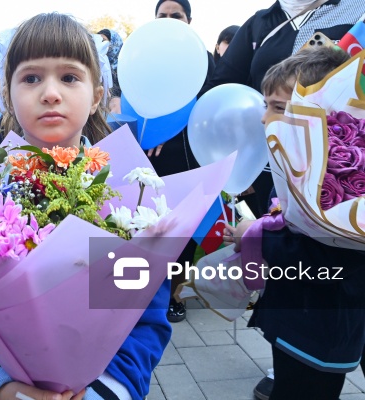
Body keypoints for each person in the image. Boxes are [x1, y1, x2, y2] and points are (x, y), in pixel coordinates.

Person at [0, 13, 171, 400]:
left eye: (69, 77)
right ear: (6, 92)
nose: (50, 93)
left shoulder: (133, 194)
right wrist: (1, 386)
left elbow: (147, 317)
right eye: (31, 78)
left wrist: (108, 391)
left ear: (97, 95)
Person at [225, 46, 365, 400]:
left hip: (319, 330)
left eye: (278, 107)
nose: (263, 117)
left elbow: (325, 259)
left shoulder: (342, 185)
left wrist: (255, 237)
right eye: (265, 104)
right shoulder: (298, 163)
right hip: (298, 319)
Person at [201, 0, 365, 219]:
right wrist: (244, 163)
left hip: (340, 157)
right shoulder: (261, 21)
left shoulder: (358, 9)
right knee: (274, 224)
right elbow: (220, 90)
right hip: (269, 157)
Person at [151, 0, 216, 323]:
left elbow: (207, 104)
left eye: (176, 15)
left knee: (186, 234)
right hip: (151, 159)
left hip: (190, 157)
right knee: (152, 228)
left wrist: (170, 128)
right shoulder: (144, 54)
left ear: (189, 20)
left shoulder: (203, 59)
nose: (169, 20)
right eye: (162, 16)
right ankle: (146, 290)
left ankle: (176, 294)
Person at [97, 28, 124, 114]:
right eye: (99, 41)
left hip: (115, 116)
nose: (101, 44)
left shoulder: (122, 70)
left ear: (114, 44)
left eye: (104, 41)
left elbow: (116, 107)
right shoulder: (96, 66)